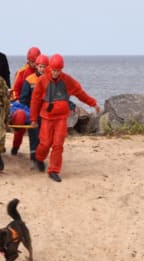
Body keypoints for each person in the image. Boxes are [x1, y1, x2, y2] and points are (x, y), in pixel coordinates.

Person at [30, 53, 100, 182]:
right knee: (45, 143)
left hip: (61, 118)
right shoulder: (42, 81)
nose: (56, 73)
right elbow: (35, 100)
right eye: (54, 70)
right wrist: (33, 119)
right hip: (46, 117)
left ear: (61, 69)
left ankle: (54, 170)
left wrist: (93, 103)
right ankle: (39, 158)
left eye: (58, 71)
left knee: (58, 144)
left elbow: (80, 93)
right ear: (50, 68)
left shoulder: (67, 80)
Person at [10, 54, 49, 161]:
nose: (42, 69)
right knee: (25, 130)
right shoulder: (25, 76)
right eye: (40, 66)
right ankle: (20, 149)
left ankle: (37, 154)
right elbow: (19, 92)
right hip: (29, 109)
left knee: (43, 135)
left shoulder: (50, 80)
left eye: (44, 66)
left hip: (43, 111)